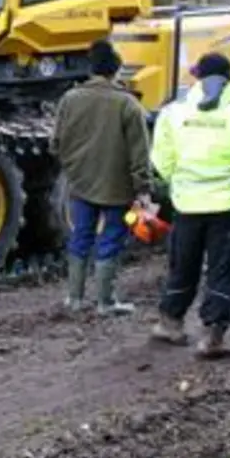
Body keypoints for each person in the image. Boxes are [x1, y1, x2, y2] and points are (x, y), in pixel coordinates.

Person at [148, 52, 230, 357]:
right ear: (229, 78)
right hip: (228, 207)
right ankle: (212, 335)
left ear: (198, 77)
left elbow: (161, 162)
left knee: (183, 265)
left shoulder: (173, 113)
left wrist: (181, 183)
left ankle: (170, 322)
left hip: (187, 204)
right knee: (222, 269)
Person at [51, 39, 152, 315]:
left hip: (81, 184)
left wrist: (74, 168)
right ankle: (105, 301)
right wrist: (143, 188)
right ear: (116, 71)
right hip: (118, 187)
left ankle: (74, 299)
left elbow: (56, 143)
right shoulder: (128, 104)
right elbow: (139, 153)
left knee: (81, 236)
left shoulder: (69, 99)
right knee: (111, 239)